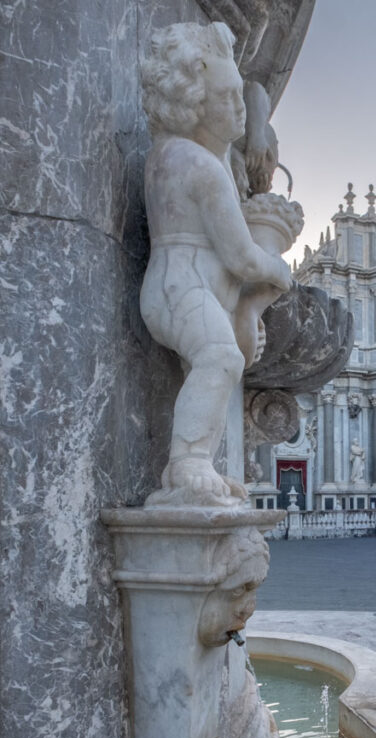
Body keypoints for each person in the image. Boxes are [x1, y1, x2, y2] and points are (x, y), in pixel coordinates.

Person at [139, 22, 292, 506]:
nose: (239, 110)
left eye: (238, 99)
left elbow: (248, 101)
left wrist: (257, 109)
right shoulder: (200, 167)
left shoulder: (181, 153)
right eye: (228, 100)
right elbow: (241, 255)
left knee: (216, 366)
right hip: (179, 287)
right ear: (192, 106)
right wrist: (276, 269)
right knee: (221, 359)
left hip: (186, 286)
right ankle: (187, 463)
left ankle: (198, 460)